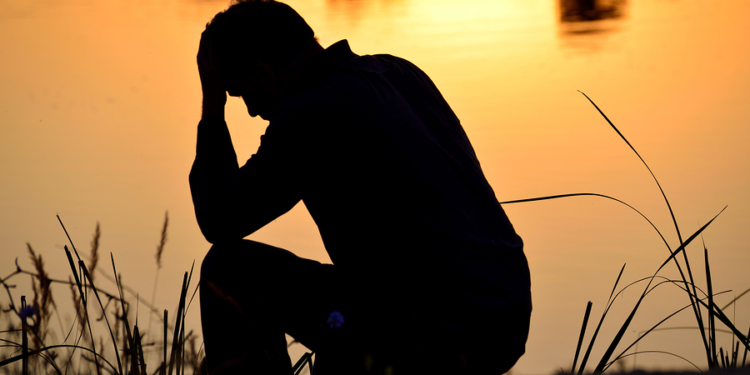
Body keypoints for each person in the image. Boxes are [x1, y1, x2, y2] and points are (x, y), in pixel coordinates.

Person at [189, 1, 532, 374]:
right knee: (343, 319)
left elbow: (218, 219)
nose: (253, 112)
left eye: (241, 95)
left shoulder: (311, 113)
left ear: (266, 75)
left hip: (436, 330)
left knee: (229, 269)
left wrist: (212, 106)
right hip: (501, 313)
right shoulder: (396, 71)